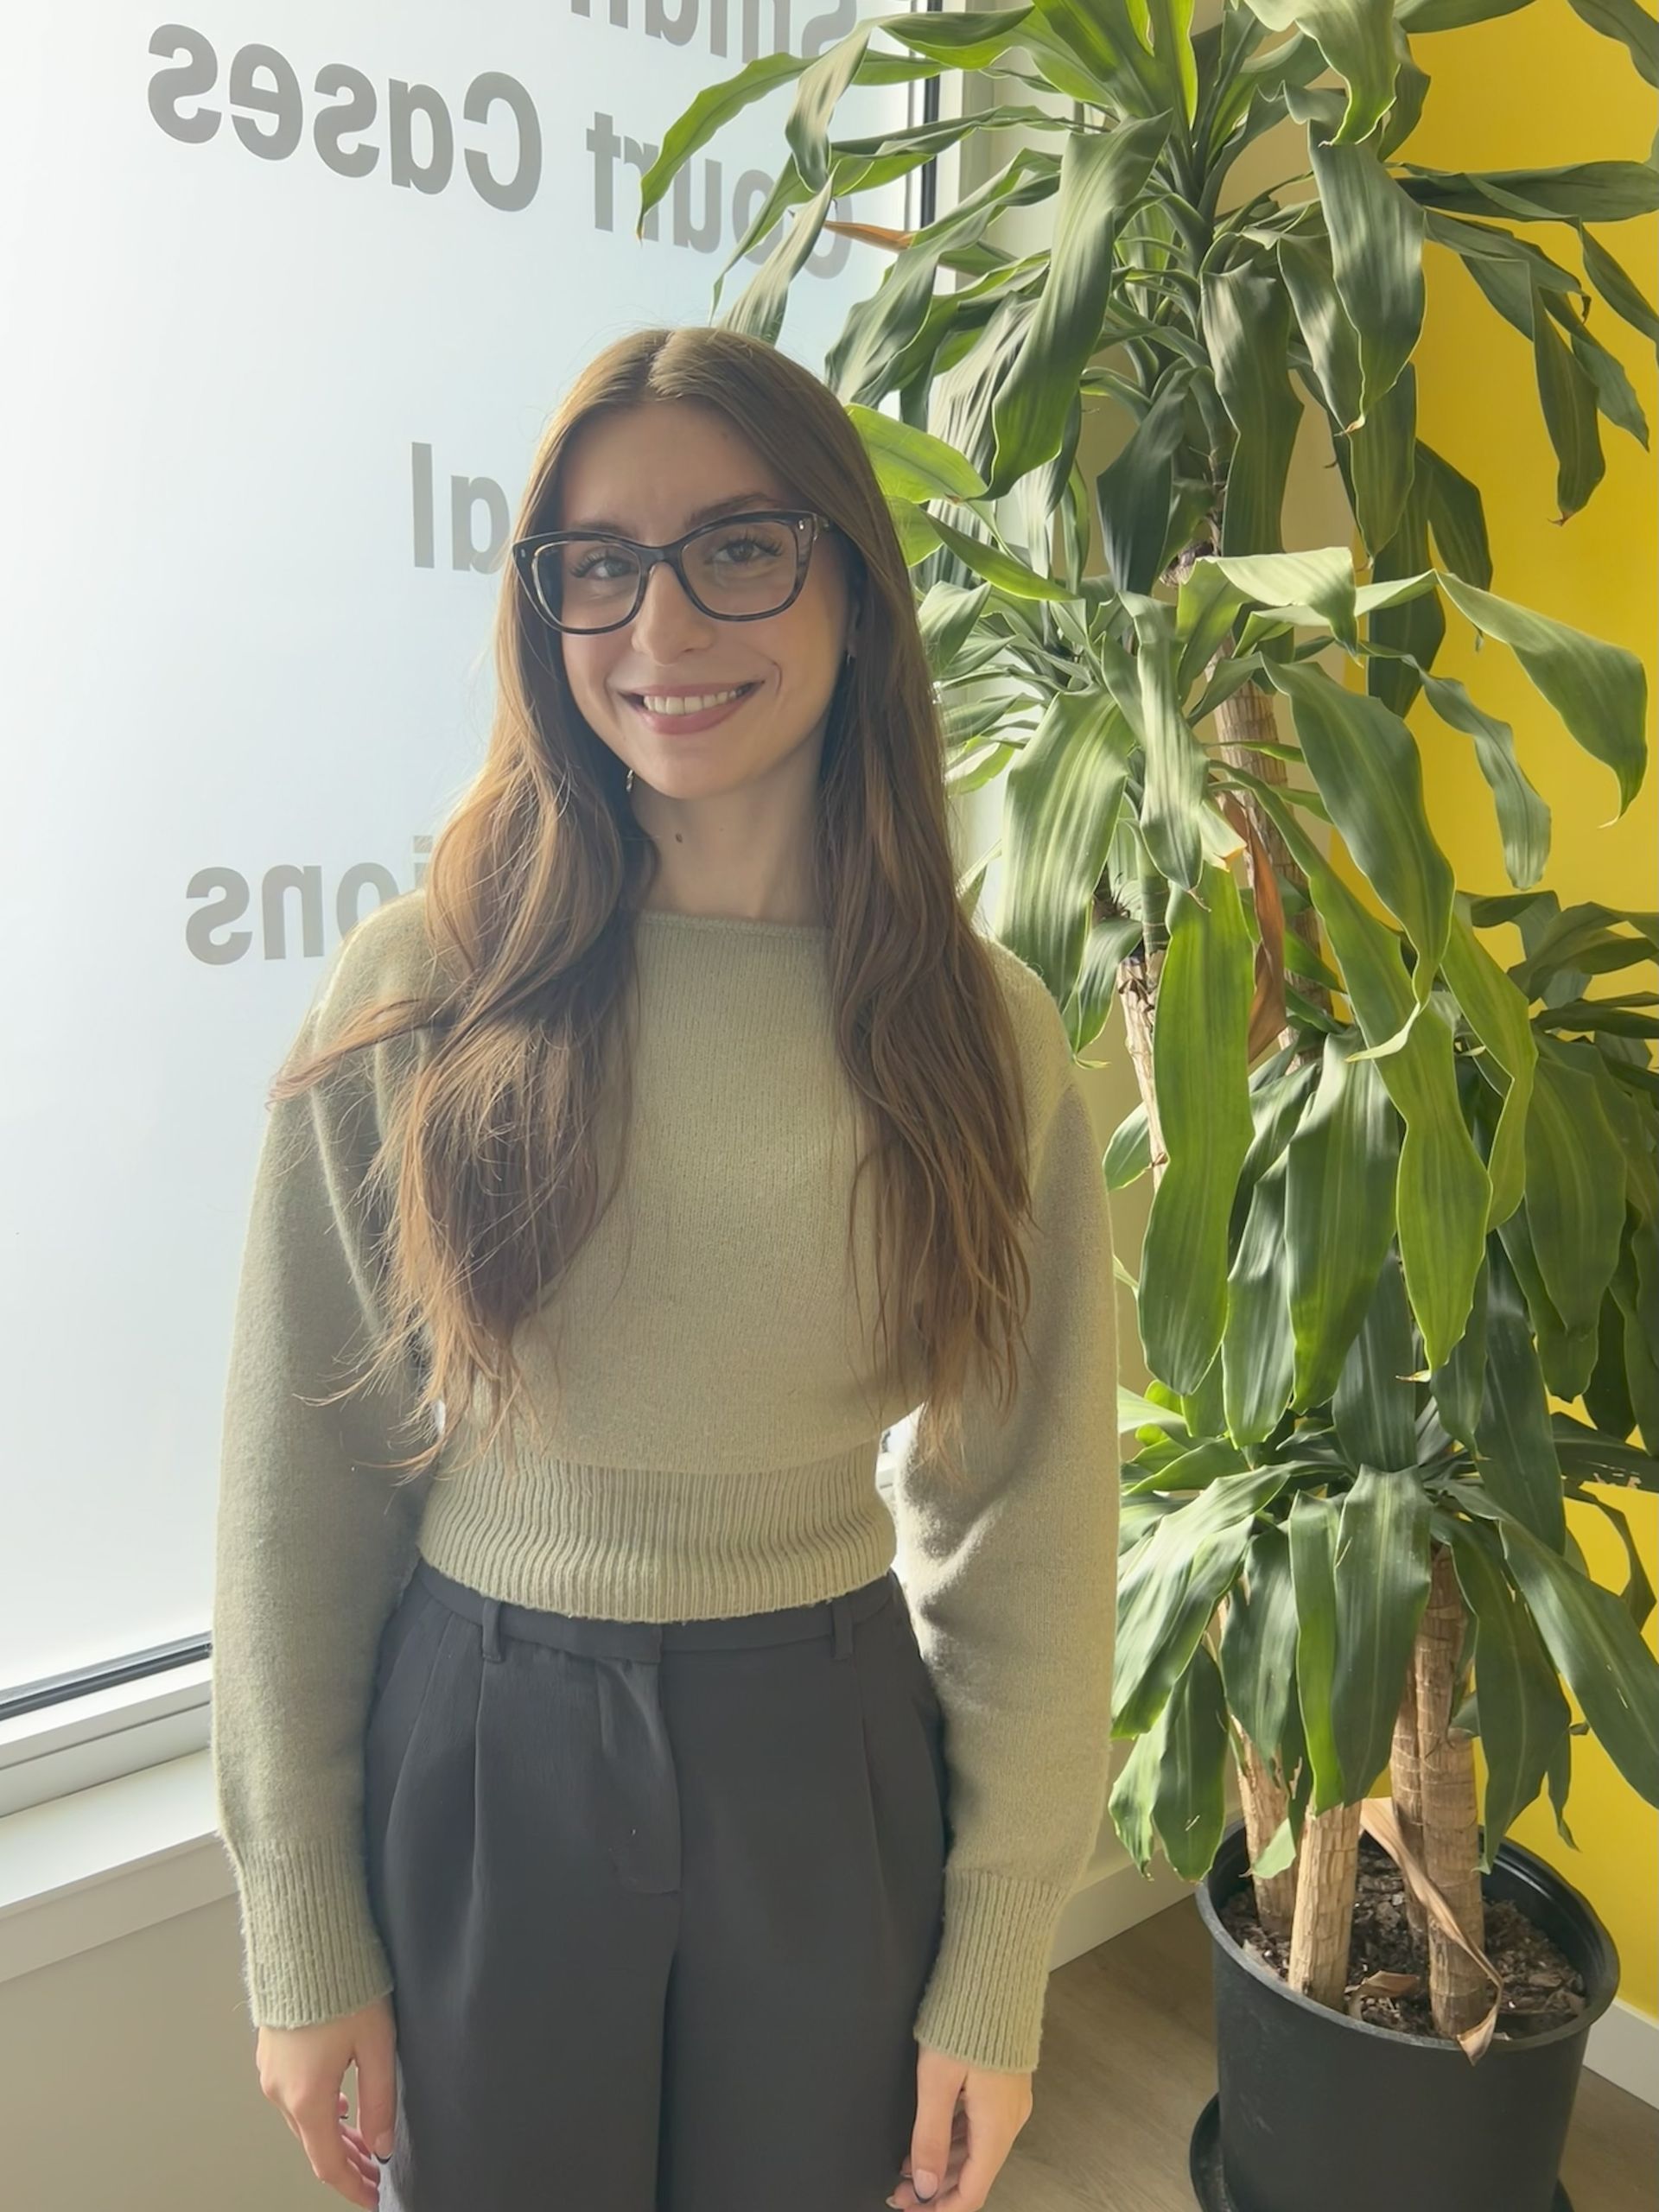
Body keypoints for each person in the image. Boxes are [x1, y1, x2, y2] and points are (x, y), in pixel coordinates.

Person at [211, 323, 1119, 2212]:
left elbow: (1026, 1507)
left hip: (828, 1745)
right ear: (542, 609)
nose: (659, 626)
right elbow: (301, 1487)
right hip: (482, 1747)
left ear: (852, 585)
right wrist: (302, 1925)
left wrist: (998, 1957)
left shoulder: (982, 1029)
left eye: (735, 547)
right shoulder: (422, 992)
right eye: (596, 565)